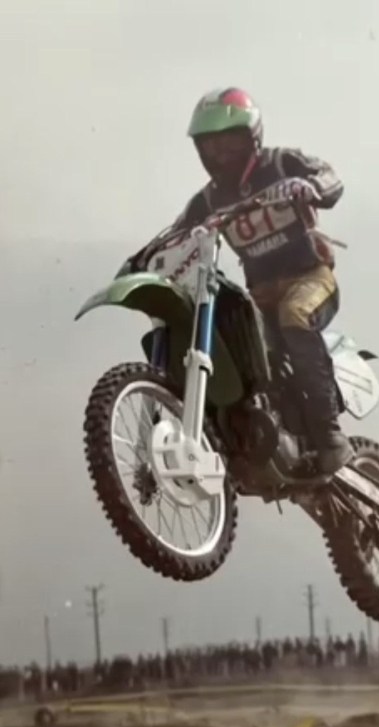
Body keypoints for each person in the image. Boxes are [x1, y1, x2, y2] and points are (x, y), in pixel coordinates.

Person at [127, 87, 354, 474]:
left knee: (295, 315)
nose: (221, 152)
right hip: (260, 295)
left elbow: (329, 177)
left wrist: (311, 187)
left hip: (310, 278)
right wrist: (140, 260)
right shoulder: (208, 200)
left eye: (229, 140)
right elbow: (176, 233)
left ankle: (330, 434)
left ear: (252, 137)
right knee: (235, 353)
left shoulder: (282, 163)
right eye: (210, 145)